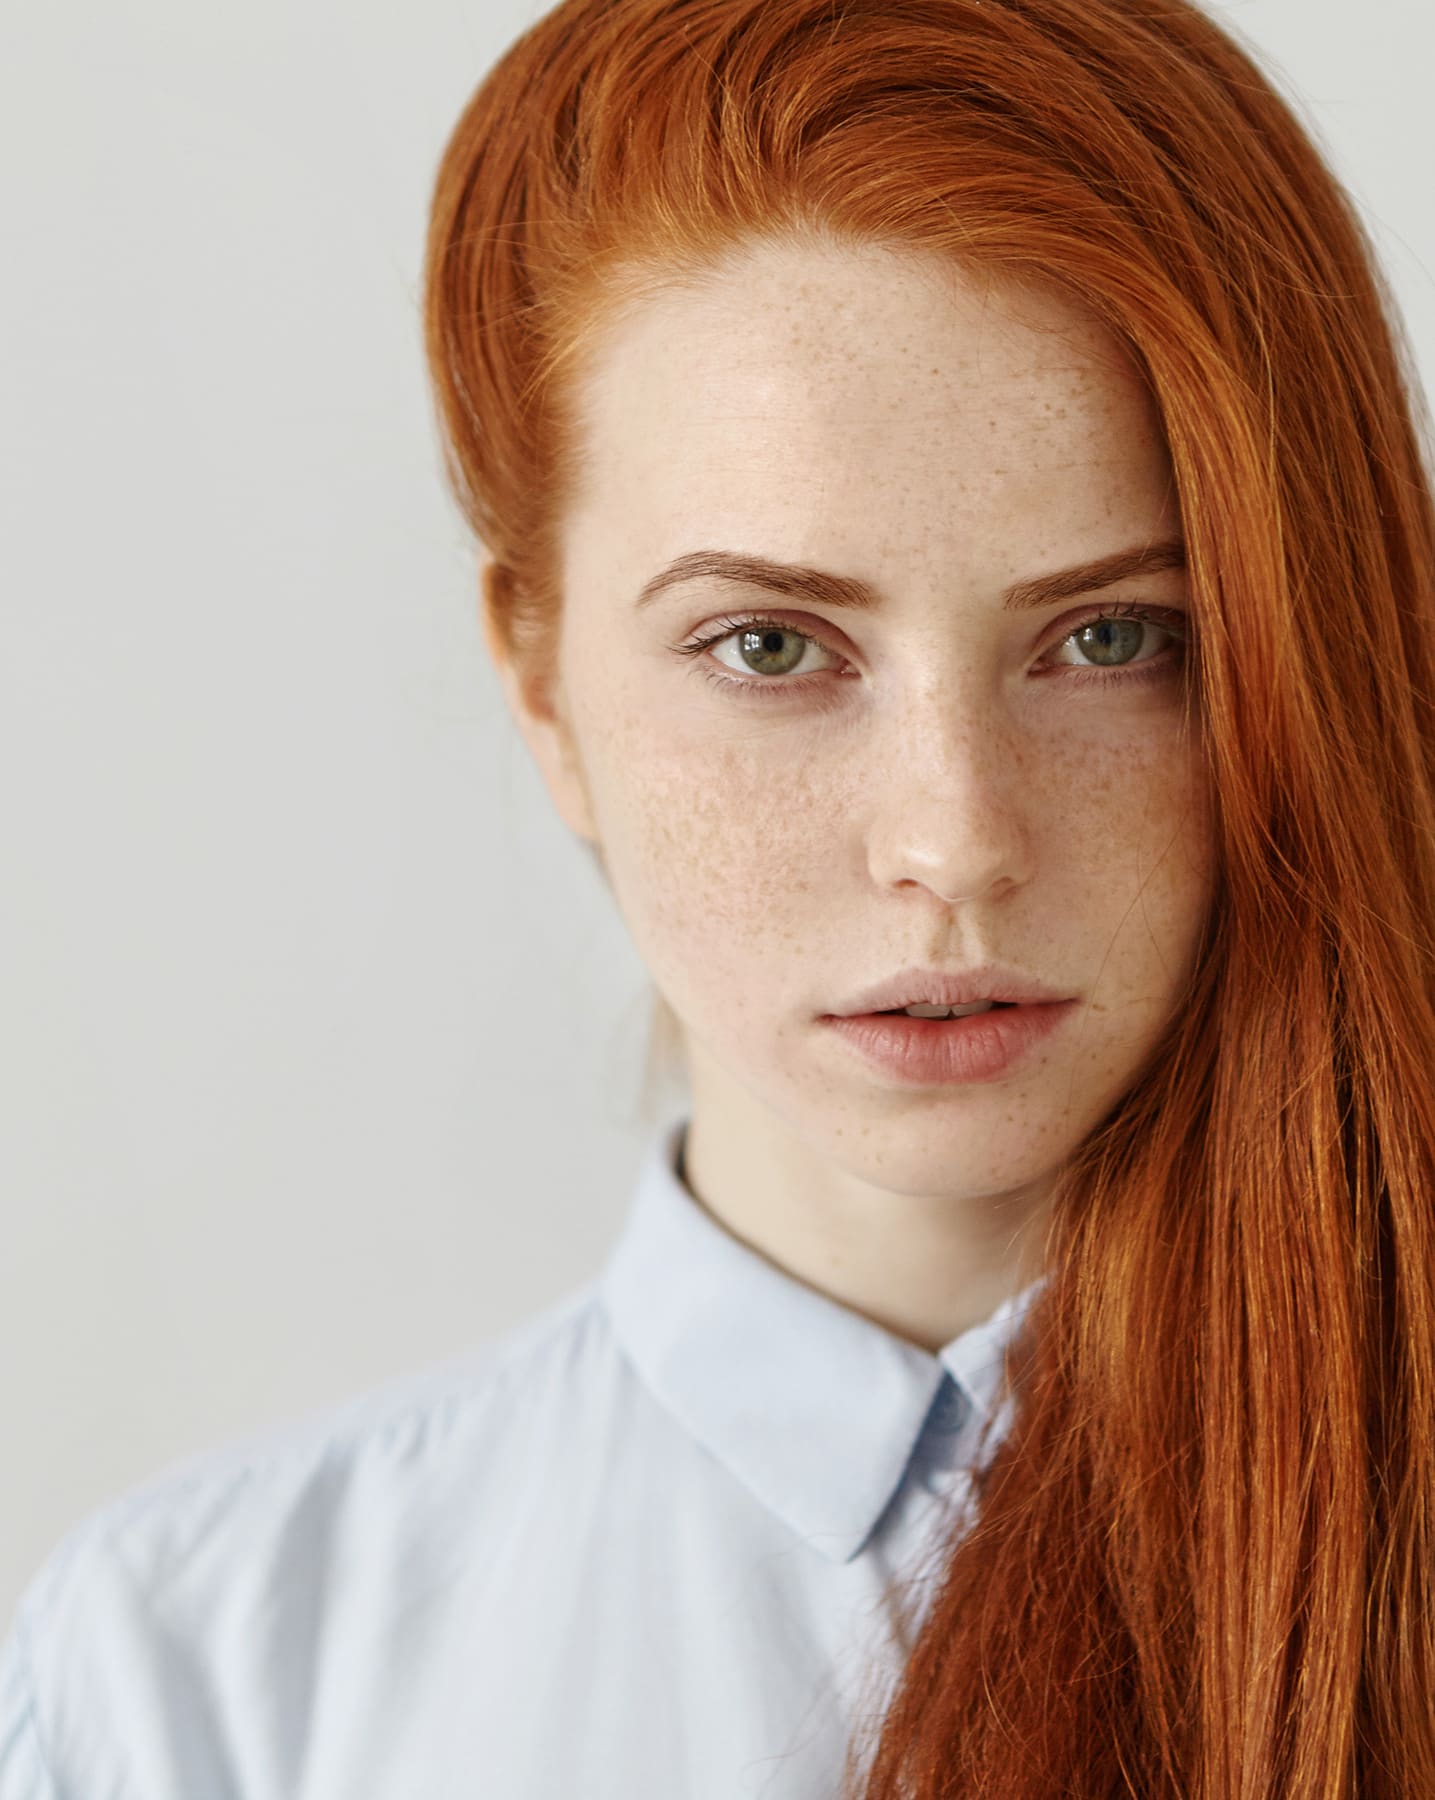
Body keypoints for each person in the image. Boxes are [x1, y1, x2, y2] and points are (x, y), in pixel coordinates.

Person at [5, 0, 1434, 1793]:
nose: (954, 839)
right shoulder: (195, 1687)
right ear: (544, 692)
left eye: (1113, 636)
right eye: (771, 645)